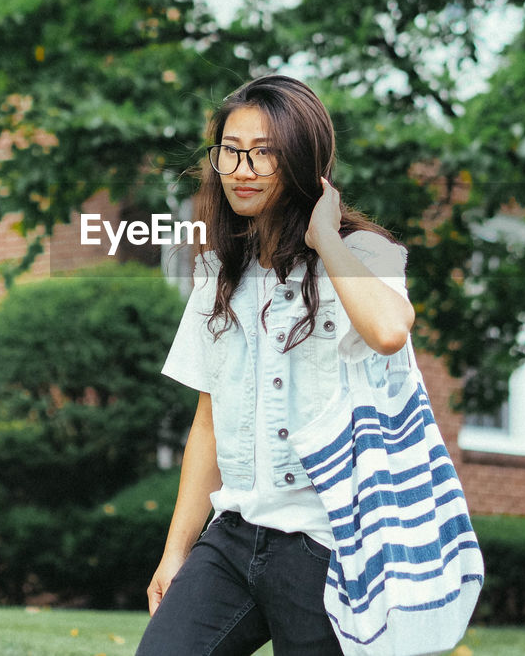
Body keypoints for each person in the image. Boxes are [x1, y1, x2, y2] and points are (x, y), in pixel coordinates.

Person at [136, 74, 419, 656]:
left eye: (263, 152)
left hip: (325, 542)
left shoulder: (362, 254)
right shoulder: (220, 272)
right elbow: (208, 425)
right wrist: (176, 551)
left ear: (300, 160)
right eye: (231, 151)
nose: (242, 168)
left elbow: (390, 330)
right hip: (235, 534)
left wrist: (326, 241)